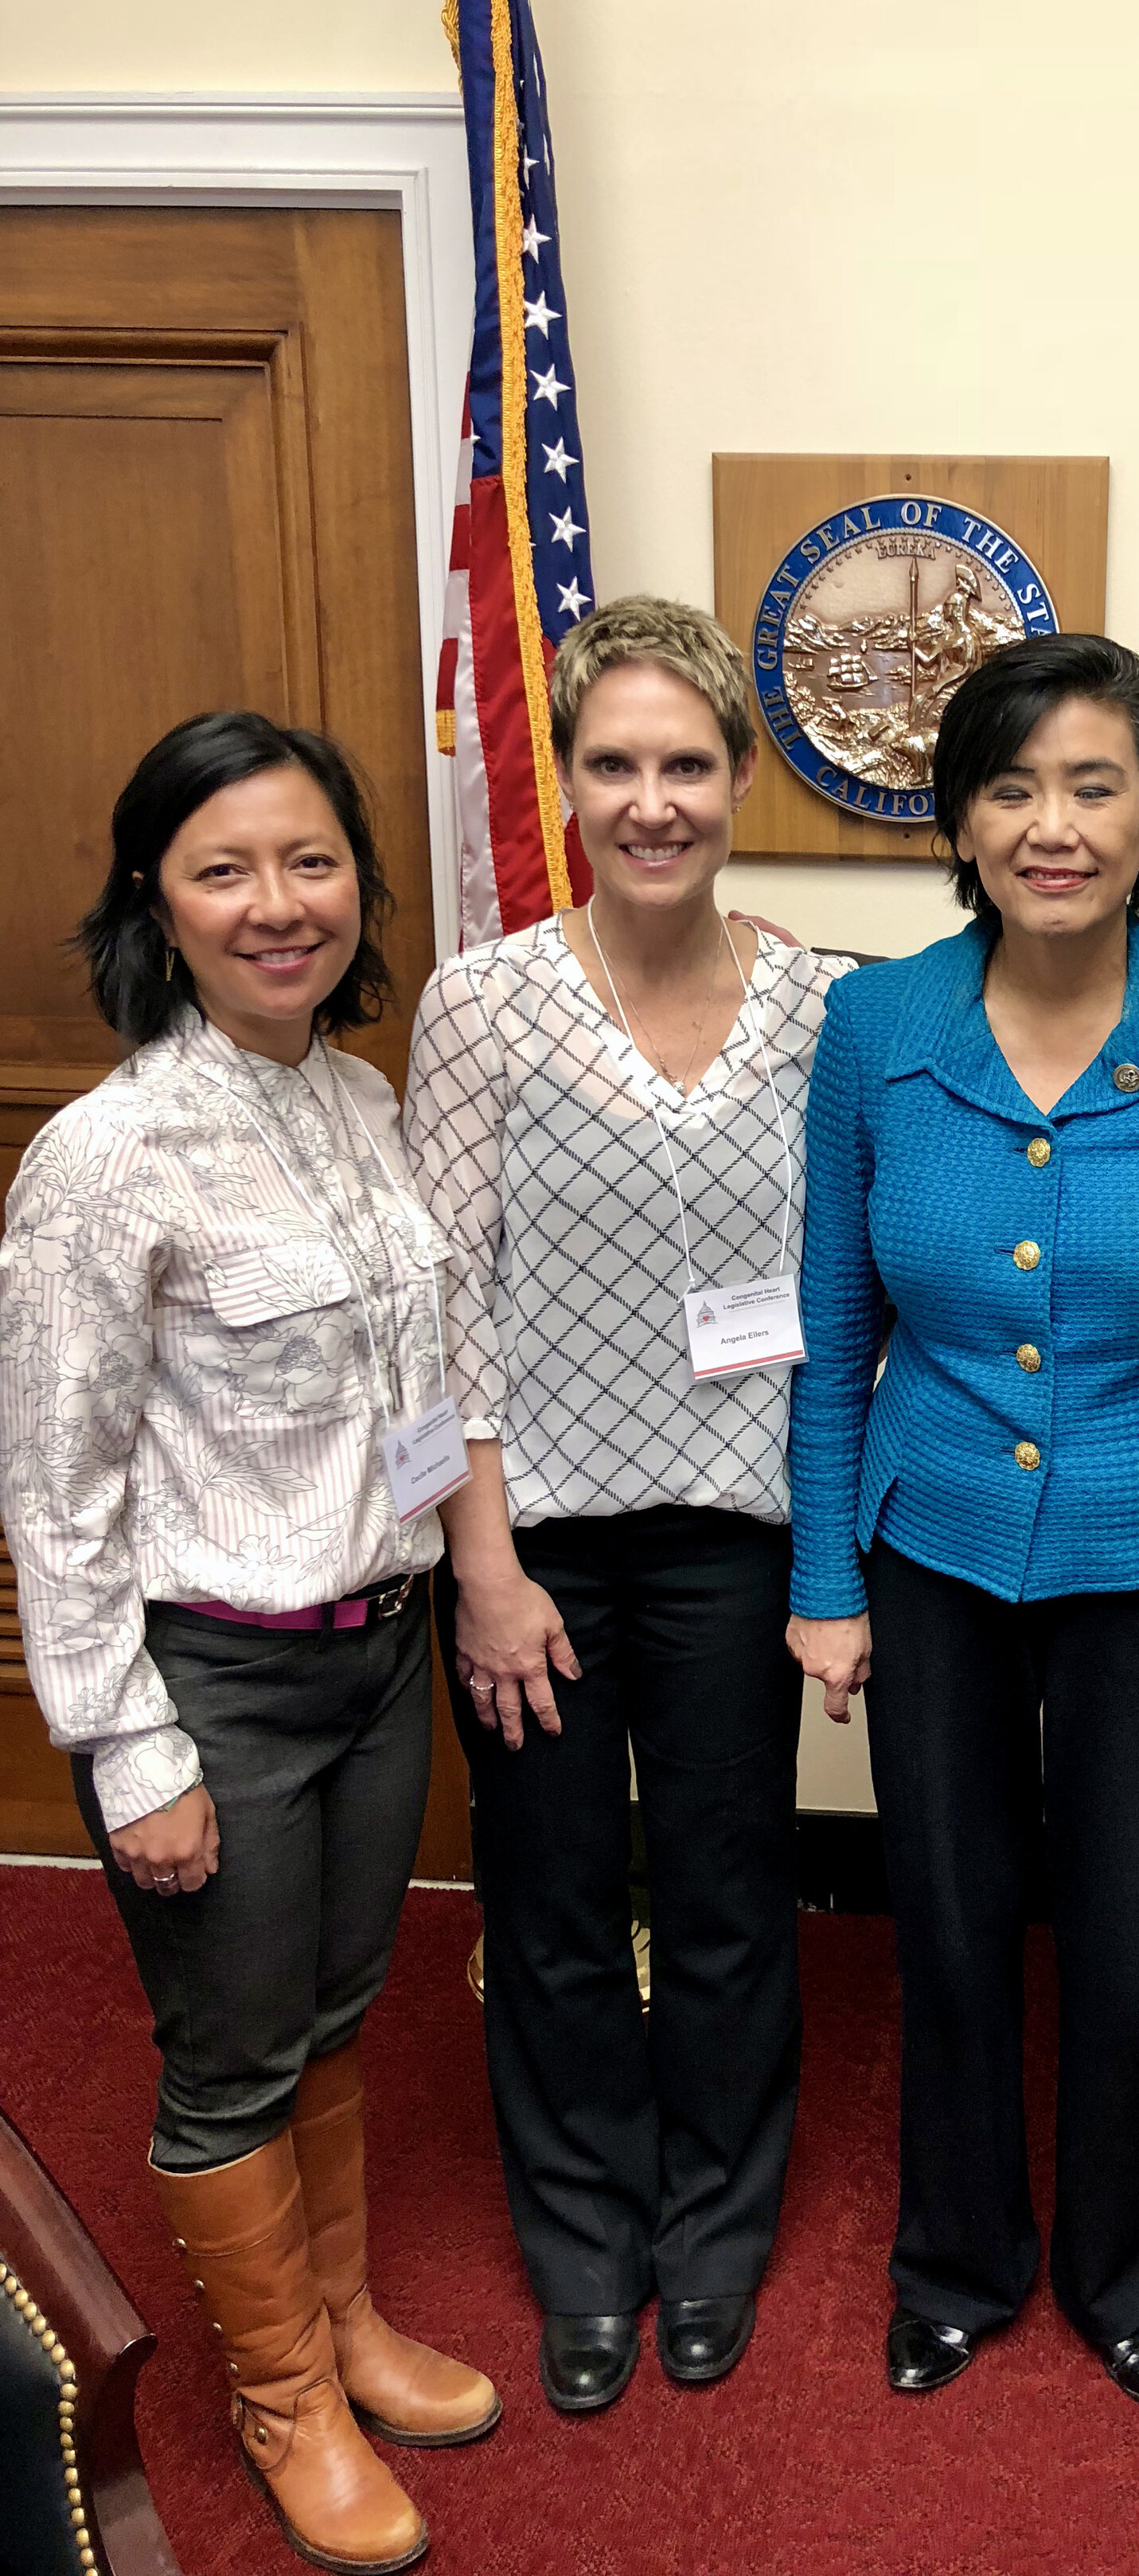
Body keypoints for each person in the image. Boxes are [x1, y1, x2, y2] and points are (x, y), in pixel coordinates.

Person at [787, 634, 1139, 2408]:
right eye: (1011, 785)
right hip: (922, 1542)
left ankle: (1110, 2265)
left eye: (1094, 783)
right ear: (959, 816)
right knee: (943, 1916)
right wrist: (819, 1577)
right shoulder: (872, 1027)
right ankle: (954, 2256)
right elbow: (832, 1322)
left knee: (1126, 1926)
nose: (1052, 823)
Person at [0, 713, 499, 2576]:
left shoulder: (362, 1103)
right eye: (226, 868)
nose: (278, 904)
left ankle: (347, 2323)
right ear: (159, 899)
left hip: (376, 1648)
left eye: (310, 861)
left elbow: (416, 1390)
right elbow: (55, 1491)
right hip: (213, 1674)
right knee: (227, 2055)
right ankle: (280, 2390)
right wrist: (125, 1745)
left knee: (334, 2011)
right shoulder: (107, 1154)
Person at [402, 598, 851, 2415]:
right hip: (539, 1545)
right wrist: (486, 1568)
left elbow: (851, 1293)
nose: (650, 799)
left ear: (738, 776)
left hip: (742, 1534)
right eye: (613, 764)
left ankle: (715, 2232)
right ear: (566, 782)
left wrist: (834, 1557)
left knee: (738, 1896)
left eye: (684, 762)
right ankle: (586, 2241)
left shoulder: (831, 1003)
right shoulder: (481, 1002)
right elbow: (444, 1301)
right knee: (559, 1898)